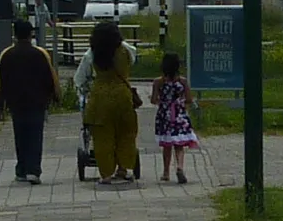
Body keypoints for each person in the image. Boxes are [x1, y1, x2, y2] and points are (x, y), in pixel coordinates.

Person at [0, 19, 60, 185]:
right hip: (37, 102)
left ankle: (21, 169)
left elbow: (1, 82)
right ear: (31, 34)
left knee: (20, 136)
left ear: (14, 35)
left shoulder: (6, 55)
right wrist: (55, 97)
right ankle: (33, 170)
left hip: (16, 103)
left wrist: (0, 105)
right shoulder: (40, 54)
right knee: (35, 136)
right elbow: (50, 78)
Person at [82, 19, 139, 186]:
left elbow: (81, 77)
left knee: (102, 137)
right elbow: (133, 60)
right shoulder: (127, 50)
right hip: (123, 96)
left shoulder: (92, 53)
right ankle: (124, 169)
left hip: (100, 98)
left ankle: (106, 174)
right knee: (126, 134)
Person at [150, 52, 199, 184]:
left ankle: (166, 172)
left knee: (167, 145)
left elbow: (153, 100)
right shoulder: (182, 81)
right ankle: (180, 167)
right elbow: (189, 99)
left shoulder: (158, 82)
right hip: (179, 114)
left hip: (164, 115)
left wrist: (162, 101)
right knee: (179, 145)